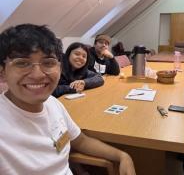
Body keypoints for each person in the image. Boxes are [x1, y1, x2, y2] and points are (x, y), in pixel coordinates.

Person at [0, 24, 136, 175]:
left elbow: (81, 141)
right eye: (22, 63)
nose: (37, 74)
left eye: (48, 62)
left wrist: (123, 156)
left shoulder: (53, 103)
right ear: (2, 72)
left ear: (59, 66)